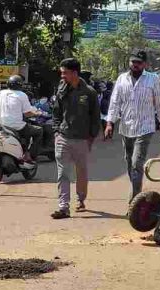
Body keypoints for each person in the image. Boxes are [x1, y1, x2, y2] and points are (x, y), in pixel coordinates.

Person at [105, 51, 160, 203]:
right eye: (133, 61)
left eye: (139, 62)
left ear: (145, 64)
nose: (135, 64)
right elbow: (115, 102)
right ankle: (136, 189)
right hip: (126, 127)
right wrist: (110, 123)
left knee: (136, 163)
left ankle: (134, 200)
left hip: (145, 127)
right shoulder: (122, 79)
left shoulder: (153, 79)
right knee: (129, 162)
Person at [51, 58, 100, 219]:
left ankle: (81, 199)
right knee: (63, 173)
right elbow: (56, 112)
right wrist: (56, 132)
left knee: (81, 172)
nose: (62, 75)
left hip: (82, 139)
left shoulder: (89, 92)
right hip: (63, 137)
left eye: (65, 72)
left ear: (74, 73)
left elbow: (95, 117)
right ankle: (63, 207)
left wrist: (91, 137)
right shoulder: (61, 89)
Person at [0, 75, 43, 163]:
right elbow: (27, 113)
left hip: (1, 125)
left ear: (8, 84)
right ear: (20, 85)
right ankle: (30, 155)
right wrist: (37, 114)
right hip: (17, 126)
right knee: (39, 131)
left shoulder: (2, 93)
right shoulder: (22, 95)